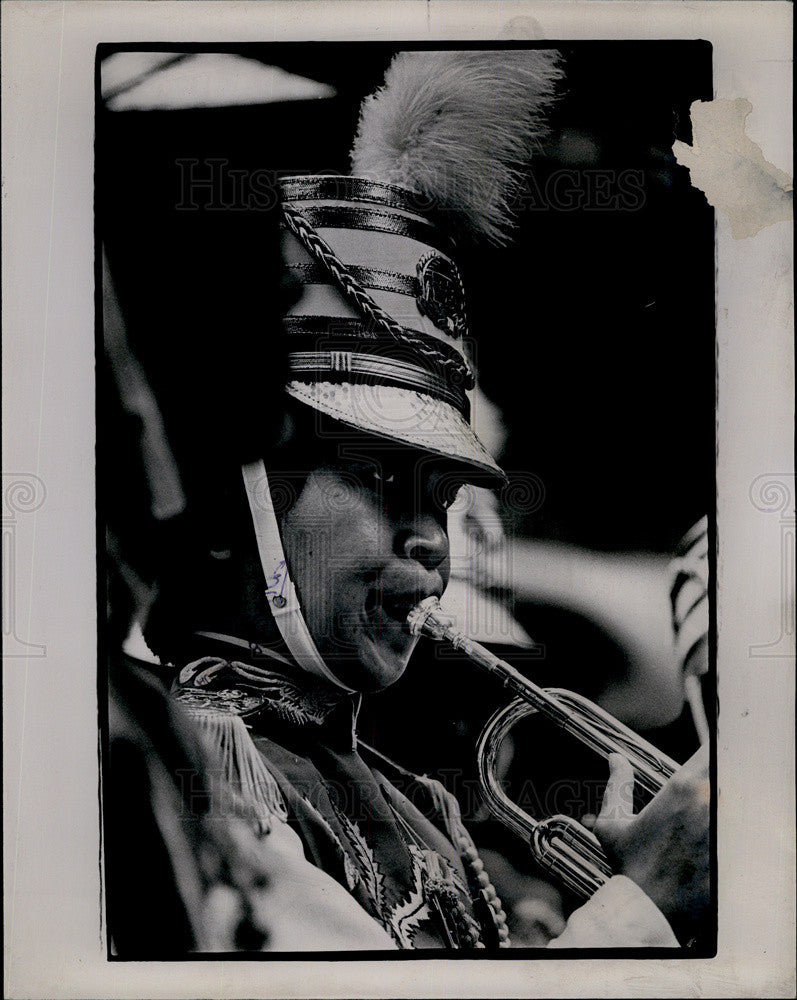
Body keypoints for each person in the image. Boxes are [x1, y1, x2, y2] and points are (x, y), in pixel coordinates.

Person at [142, 49, 710, 950]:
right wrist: (637, 912)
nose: (431, 544)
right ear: (226, 502)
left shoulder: (422, 807)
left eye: (440, 497)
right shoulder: (213, 773)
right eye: (377, 481)